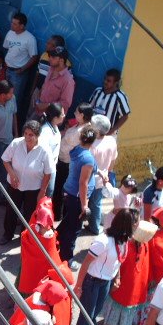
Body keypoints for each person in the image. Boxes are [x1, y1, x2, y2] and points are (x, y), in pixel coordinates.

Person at [70, 209, 137, 325]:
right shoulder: (103, 241)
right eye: (136, 222)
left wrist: (117, 277)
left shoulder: (124, 240)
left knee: (94, 313)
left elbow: (118, 261)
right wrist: (78, 286)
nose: (137, 225)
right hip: (93, 282)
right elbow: (85, 264)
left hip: (105, 282)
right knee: (87, 316)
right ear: (127, 225)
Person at [0, 120, 54, 245]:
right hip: (14, 185)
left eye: (31, 135)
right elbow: (5, 159)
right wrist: (12, 174)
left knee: (29, 214)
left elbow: (48, 172)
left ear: (37, 136)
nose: (27, 137)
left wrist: (42, 191)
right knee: (11, 211)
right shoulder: (16, 143)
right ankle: (8, 234)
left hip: (33, 188)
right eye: (26, 133)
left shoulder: (45, 150)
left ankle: (25, 237)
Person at [101, 220, 157, 325]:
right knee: (118, 306)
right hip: (125, 282)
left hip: (138, 282)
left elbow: (147, 263)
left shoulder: (144, 245)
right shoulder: (127, 245)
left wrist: (149, 278)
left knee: (130, 309)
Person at [56, 126, 98, 265]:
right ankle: (66, 258)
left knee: (67, 223)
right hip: (77, 197)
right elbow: (83, 183)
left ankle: (54, 243)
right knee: (74, 229)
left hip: (69, 192)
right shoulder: (88, 159)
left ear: (81, 139)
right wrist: (84, 205)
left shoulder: (76, 150)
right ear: (93, 141)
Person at [16, 197, 64, 295]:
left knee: (25, 281)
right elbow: (53, 255)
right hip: (40, 271)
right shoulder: (51, 236)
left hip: (29, 265)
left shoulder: (32, 229)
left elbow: (24, 237)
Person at [54, 102, 93, 220]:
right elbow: (65, 135)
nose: (74, 113)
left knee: (61, 190)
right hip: (63, 159)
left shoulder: (83, 131)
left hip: (68, 163)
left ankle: (58, 216)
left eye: (77, 112)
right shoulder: (77, 126)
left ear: (82, 115)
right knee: (59, 188)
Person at [3, 12, 38, 120]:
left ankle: (11, 121)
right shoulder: (10, 33)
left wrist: (22, 69)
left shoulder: (29, 39)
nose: (12, 25)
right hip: (8, 69)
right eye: (12, 23)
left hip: (18, 73)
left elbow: (34, 57)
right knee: (3, 94)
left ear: (22, 26)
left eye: (15, 24)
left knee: (14, 98)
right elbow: (6, 47)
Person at [86, 114, 117, 234]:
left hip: (90, 180)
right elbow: (113, 161)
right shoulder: (111, 141)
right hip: (103, 179)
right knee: (96, 204)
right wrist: (107, 174)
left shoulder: (91, 145)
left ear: (97, 131)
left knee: (89, 204)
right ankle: (94, 226)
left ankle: (94, 227)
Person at [32, 46, 75, 115]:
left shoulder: (68, 80)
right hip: (39, 111)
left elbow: (65, 103)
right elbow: (44, 86)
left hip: (51, 117)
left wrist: (47, 105)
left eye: (53, 57)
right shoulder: (51, 69)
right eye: (50, 56)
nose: (49, 59)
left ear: (61, 60)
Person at [89, 68, 131, 136]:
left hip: (108, 134)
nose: (105, 81)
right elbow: (89, 107)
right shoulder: (98, 91)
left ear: (116, 83)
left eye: (108, 81)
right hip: (93, 131)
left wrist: (111, 131)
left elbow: (125, 116)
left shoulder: (120, 97)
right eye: (105, 79)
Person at [37, 103, 65, 197]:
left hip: (51, 168)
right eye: (62, 114)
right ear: (55, 117)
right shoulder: (45, 131)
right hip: (45, 170)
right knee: (45, 194)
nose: (64, 116)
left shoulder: (55, 127)